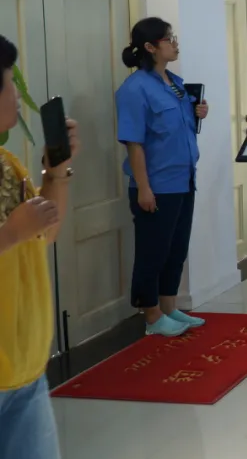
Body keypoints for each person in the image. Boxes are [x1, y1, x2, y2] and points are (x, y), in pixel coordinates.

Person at [0, 34, 79, 459]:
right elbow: (20, 233)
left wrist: (57, 171)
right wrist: (11, 233)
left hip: (26, 368)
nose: (17, 94)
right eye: (9, 83)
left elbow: (45, 232)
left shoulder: (8, 166)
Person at [116, 18, 209, 337]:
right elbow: (134, 143)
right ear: (150, 47)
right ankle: (152, 315)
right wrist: (143, 187)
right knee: (153, 251)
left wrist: (198, 112)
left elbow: (178, 129)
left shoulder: (175, 83)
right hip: (156, 184)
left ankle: (169, 306)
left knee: (175, 249)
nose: (175, 43)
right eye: (168, 39)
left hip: (184, 179)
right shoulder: (134, 89)